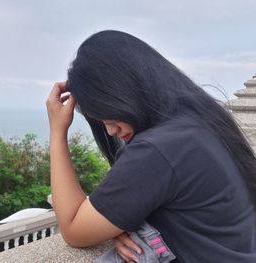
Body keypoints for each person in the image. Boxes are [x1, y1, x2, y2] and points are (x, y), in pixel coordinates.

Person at [46, 30, 256, 262]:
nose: (110, 131)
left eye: (110, 119)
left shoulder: (158, 150)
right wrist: (122, 222)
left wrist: (57, 133)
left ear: (123, 92)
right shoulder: (198, 122)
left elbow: (74, 229)